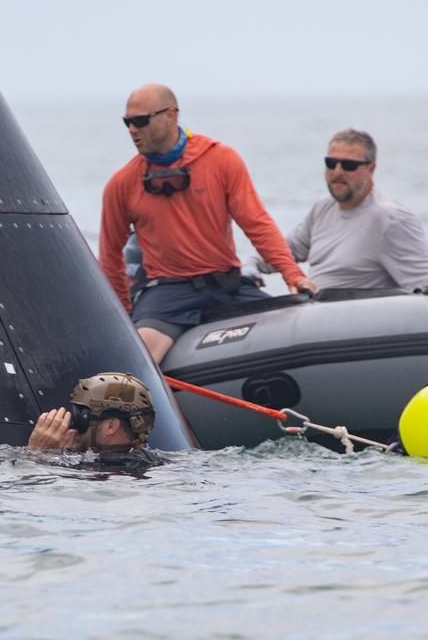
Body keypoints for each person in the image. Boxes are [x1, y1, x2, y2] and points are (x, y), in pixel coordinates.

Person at [99, 84, 317, 365]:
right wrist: (125, 315)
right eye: (127, 122)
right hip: (167, 292)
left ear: (170, 116)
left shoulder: (220, 160)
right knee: (138, 360)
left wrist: (294, 276)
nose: (132, 130)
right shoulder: (122, 184)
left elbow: (257, 224)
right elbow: (110, 258)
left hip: (226, 283)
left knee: (293, 328)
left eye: (140, 121)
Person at [246, 129, 428, 291]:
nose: (337, 172)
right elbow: (284, 251)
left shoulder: (390, 219)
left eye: (348, 165)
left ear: (371, 169)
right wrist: (250, 265)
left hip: (357, 323)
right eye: (331, 163)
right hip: (314, 314)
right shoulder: (322, 208)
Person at [27, 372, 156, 455]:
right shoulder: (146, 462)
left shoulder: (108, 474)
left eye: (82, 416)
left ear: (110, 426)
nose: (73, 428)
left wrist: (38, 454)